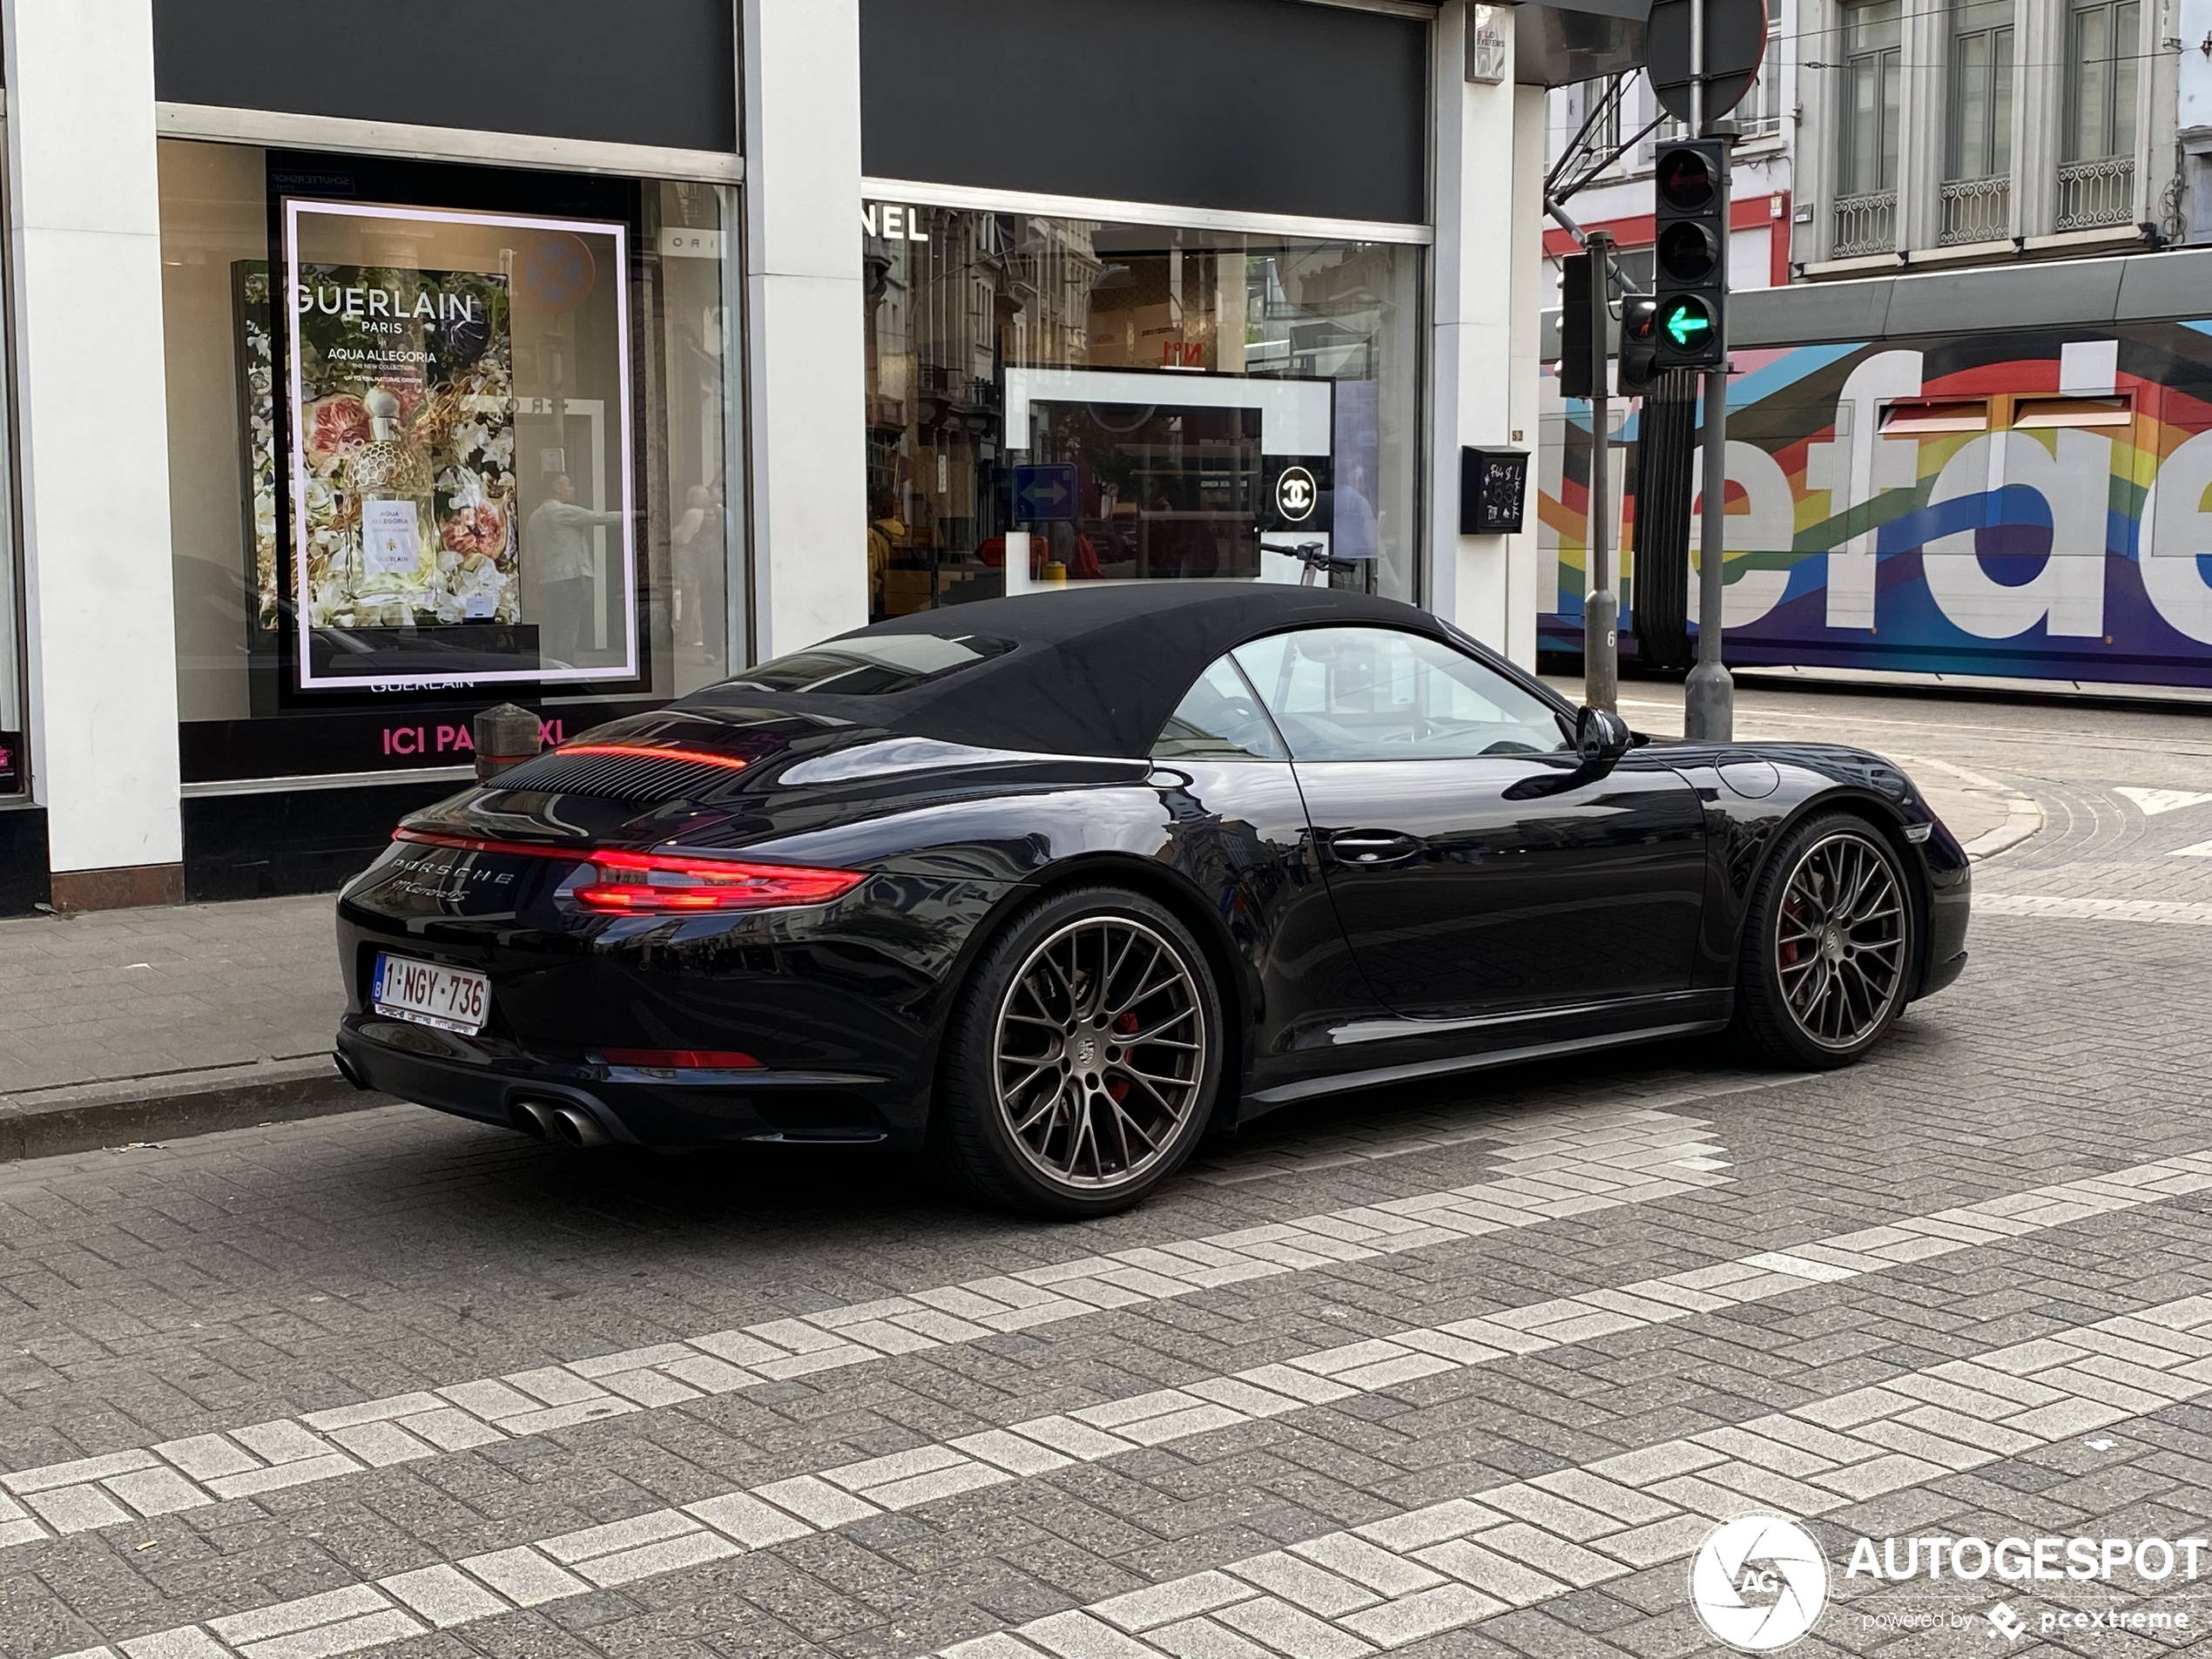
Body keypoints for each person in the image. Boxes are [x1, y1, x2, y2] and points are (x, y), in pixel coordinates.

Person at [529, 473, 622, 667]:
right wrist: (635, 515)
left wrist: (535, 581)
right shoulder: (563, 512)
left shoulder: (535, 517)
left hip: (547, 580)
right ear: (556, 487)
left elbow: (531, 555)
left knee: (553, 626)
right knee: (569, 627)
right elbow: (599, 517)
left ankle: (551, 667)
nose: (573, 489)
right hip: (569, 579)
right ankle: (565, 668)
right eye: (568, 485)